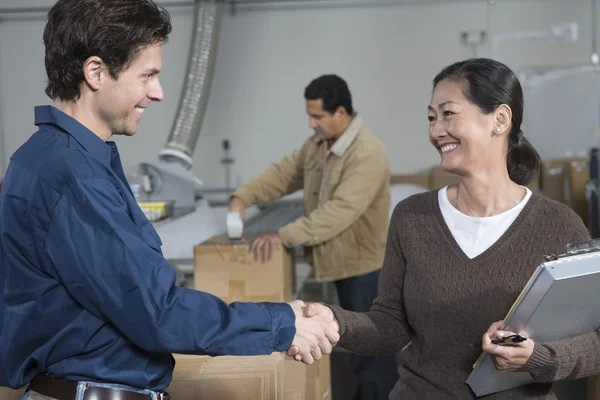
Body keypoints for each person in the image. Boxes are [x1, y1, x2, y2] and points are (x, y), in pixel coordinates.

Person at [0, 1, 339, 399]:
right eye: (148, 75)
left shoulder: (49, 158)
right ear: (95, 72)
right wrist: (284, 323)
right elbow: (156, 311)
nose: (157, 93)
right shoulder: (72, 174)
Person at [297, 58, 600, 399]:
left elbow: (595, 339)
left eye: (448, 114)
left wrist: (537, 357)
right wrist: (336, 322)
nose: (436, 130)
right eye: (431, 117)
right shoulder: (413, 217)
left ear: (499, 120)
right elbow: (391, 325)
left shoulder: (557, 225)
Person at [229, 74, 398, 400]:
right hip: (339, 265)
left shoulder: (366, 153)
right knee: (355, 348)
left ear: (341, 113)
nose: (311, 123)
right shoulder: (318, 146)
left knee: (372, 354)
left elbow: (339, 212)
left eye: (317, 116)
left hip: (366, 270)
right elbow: (284, 174)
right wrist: (242, 197)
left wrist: (284, 235)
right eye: (309, 115)